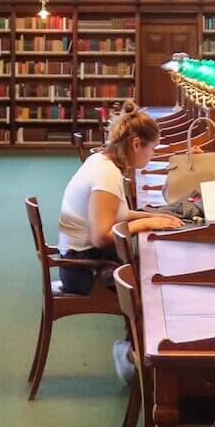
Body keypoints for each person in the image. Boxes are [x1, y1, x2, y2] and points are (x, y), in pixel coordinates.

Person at [55, 110, 182, 295]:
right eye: (153, 148)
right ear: (137, 144)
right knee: (154, 275)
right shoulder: (106, 174)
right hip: (83, 269)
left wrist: (152, 216)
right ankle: (139, 319)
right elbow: (100, 237)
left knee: (149, 261)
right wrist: (145, 223)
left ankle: (137, 320)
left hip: (80, 261)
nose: (153, 154)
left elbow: (114, 213)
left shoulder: (103, 161)